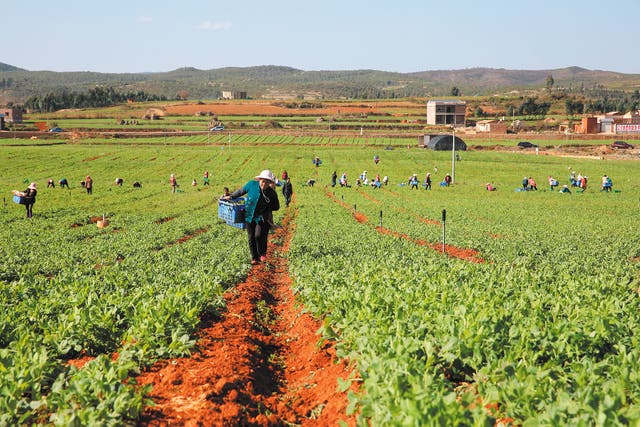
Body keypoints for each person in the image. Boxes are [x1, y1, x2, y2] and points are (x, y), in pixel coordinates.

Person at [224, 170, 280, 265]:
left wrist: (267, 208)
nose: (264, 183)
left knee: (258, 235)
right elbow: (241, 191)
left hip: (261, 218)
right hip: (249, 216)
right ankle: (254, 257)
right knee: (251, 237)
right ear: (259, 179)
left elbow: (276, 206)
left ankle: (262, 253)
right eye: (263, 180)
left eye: (267, 181)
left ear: (270, 183)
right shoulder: (251, 185)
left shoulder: (271, 193)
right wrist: (231, 196)